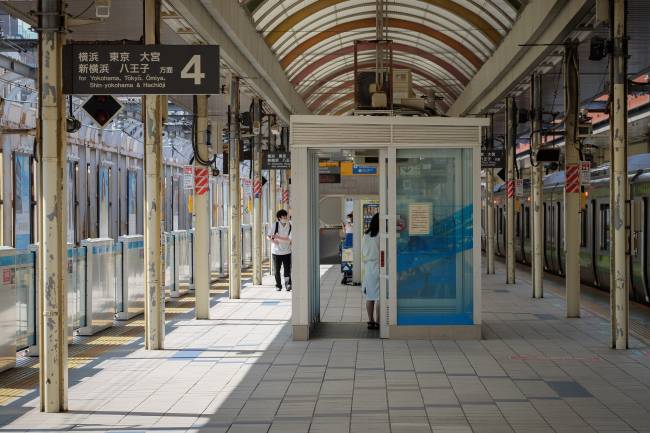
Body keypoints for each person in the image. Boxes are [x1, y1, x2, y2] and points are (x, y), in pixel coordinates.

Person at [362, 213, 380, 329]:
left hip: (368, 267)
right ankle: (379, 322)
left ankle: (371, 321)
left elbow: (363, 252)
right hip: (380, 266)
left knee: (370, 295)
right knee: (379, 296)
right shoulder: (381, 235)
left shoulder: (366, 235)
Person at [267, 209, 292, 291]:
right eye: (283, 217)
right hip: (276, 252)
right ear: (279, 218)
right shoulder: (275, 225)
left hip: (287, 251)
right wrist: (273, 240)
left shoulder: (290, 225)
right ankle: (278, 285)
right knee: (276, 270)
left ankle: (288, 284)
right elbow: (268, 236)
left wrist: (278, 237)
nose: (285, 218)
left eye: (286, 217)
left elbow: (289, 239)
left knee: (287, 269)